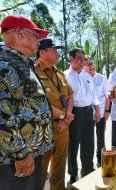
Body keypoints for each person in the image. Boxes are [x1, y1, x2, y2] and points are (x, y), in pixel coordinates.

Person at [0, 15, 54, 190]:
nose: (39, 40)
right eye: (36, 35)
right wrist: (20, 154)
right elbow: (2, 117)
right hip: (15, 162)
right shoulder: (5, 65)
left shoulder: (20, 62)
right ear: (20, 33)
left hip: (30, 153)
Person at [35, 38, 74, 190]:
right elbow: (38, 103)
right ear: (43, 52)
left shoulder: (59, 73)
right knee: (40, 169)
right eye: (54, 50)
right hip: (43, 129)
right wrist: (64, 116)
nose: (57, 53)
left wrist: (67, 117)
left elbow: (70, 96)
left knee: (59, 166)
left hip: (63, 127)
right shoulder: (32, 71)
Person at [64, 48, 100, 185]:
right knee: (73, 144)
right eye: (79, 58)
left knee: (89, 143)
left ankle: (87, 169)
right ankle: (73, 174)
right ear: (71, 58)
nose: (82, 61)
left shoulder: (86, 76)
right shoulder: (65, 75)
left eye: (83, 58)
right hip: (75, 113)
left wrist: (96, 110)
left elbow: (94, 95)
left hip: (88, 111)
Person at [86, 56, 110, 168]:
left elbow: (107, 97)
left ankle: (101, 160)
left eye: (92, 63)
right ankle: (88, 164)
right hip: (86, 115)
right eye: (88, 64)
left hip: (100, 113)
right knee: (88, 140)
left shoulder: (102, 78)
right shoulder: (82, 78)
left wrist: (106, 111)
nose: (91, 66)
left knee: (100, 138)